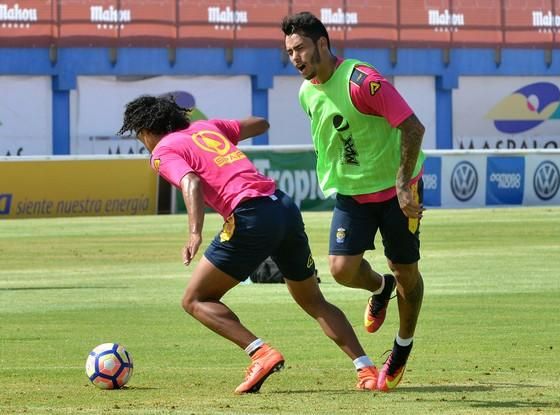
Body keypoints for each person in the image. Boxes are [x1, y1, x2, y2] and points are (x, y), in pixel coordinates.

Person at [117, 95, 378, 393]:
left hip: (250, 215)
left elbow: (191, 182)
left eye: (140, 137)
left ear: (147, 130)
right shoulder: (206, 128)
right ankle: (367, 370)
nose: (144, 144)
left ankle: (260, 353)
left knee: (195, 299)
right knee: (313, 301)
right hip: (282, 207)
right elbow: (261, 124)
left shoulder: (163, 150)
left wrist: (194, 233)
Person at [281, 12, 426, 391]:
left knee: (407, 272)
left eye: (300, 49)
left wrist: (404, 183)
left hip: (397, 191)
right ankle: (381, 288)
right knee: (342, 270)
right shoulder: (306, 92)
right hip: (353, 194)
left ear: (322, 45)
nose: (295, 58)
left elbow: (413, 127)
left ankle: (402, 347)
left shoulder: (363, 81)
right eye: (289, 52)